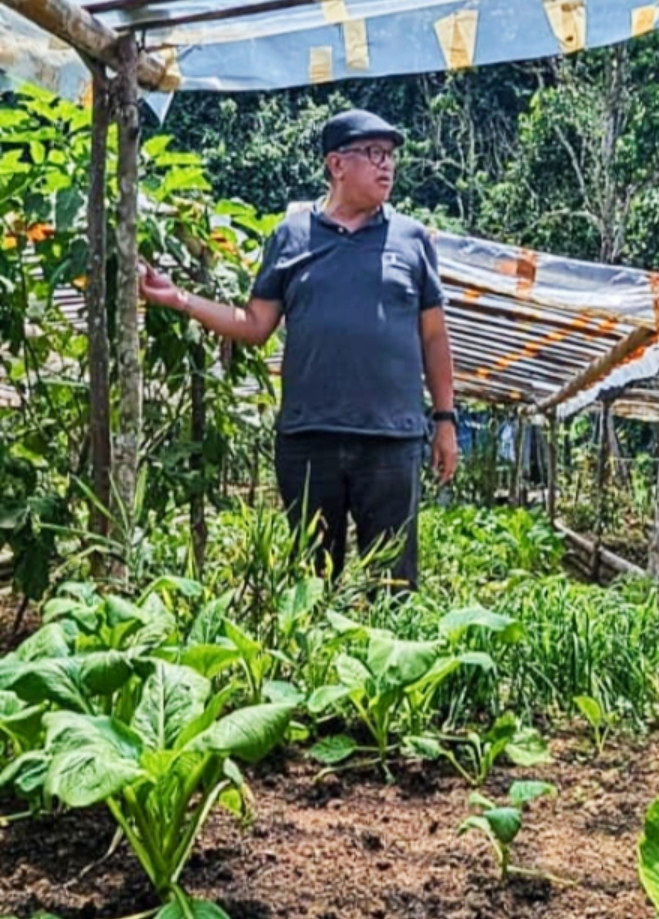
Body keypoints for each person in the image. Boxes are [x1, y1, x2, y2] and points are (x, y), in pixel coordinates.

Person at [140, 108, 458, 589]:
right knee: (311, 582)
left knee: (394, 585)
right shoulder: (291, 237)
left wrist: (445, 420)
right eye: (373, 153)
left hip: (392, 441)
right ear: (336, 164)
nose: (387, 165)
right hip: (310, 438)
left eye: (391, 155)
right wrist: (180, 299)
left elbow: (434, 336)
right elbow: (253, 324)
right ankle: (315, 666)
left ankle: (391, 663)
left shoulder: (411, 239)